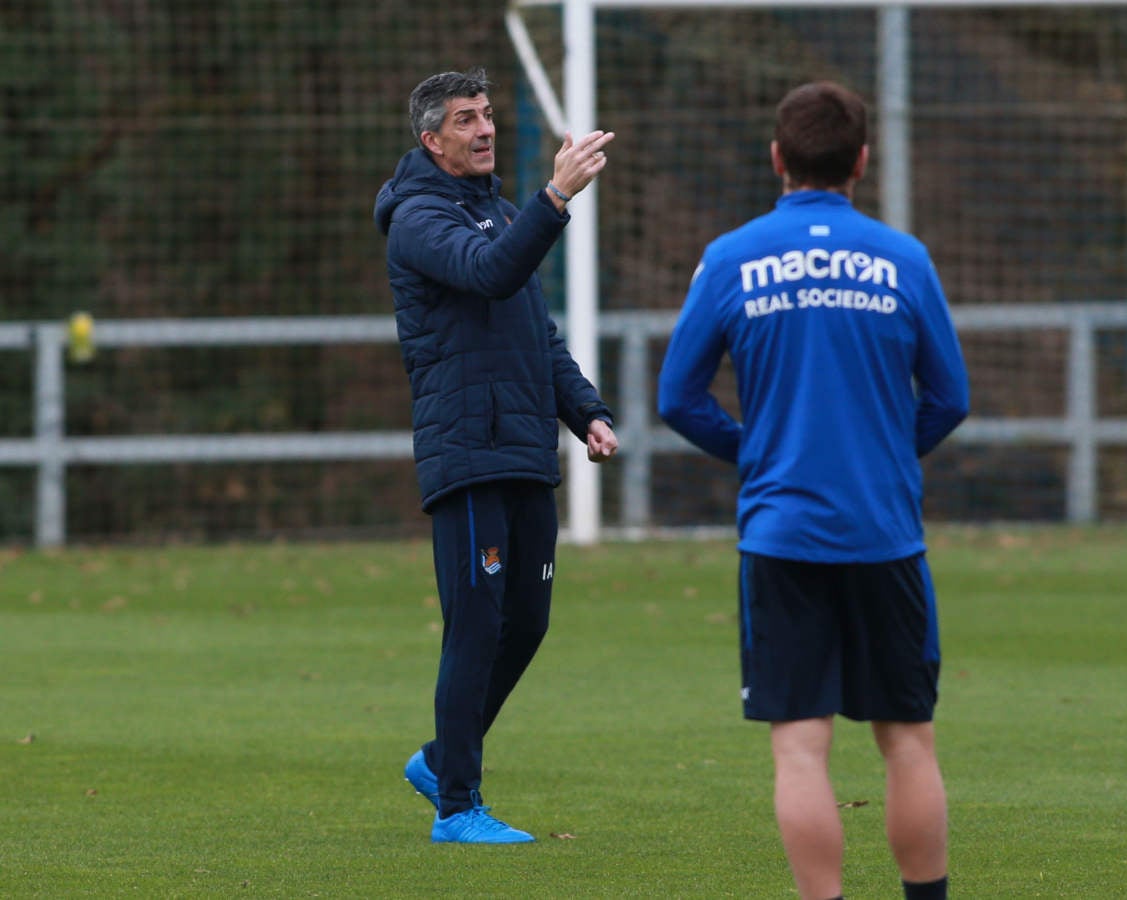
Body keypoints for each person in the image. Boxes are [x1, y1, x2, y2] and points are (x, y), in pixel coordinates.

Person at [657, 81, 968, 899]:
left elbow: (677, 398)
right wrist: (885, 458)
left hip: (782, 532)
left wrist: (755, 454)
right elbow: (951, 396)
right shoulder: (904, 258)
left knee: (800, 744)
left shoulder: (732, 257)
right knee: (908, 741)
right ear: (862, 161)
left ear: (777, 157)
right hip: (883, 531)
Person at [374, 67, 619, 845]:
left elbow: (535, 337)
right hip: (467, 451)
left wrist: (587, 413)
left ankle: (444, 757)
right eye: (465, 120)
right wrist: (556, 200)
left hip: (521, 449)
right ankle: (457, 807)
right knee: (475, 629)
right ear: (431, 140)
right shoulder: (417, 217)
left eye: (486, 114)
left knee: (528, 623)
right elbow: (488, 273)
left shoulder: (502, 216)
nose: (483, 129)